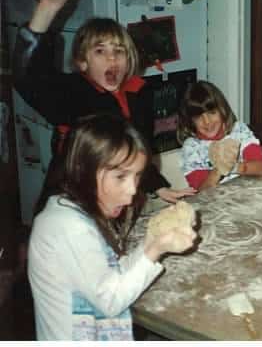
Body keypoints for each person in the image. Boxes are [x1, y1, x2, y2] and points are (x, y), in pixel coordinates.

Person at [12, 0, 194, 203]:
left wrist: (158, 187)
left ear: (129, 60)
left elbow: (138, 153)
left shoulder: (138, 94)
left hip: (119, 203)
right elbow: (28, 77)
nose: (112, 57)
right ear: (83, 62)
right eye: (100, 51)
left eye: (119, 51)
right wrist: (47, 8)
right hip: (75, 203)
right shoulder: (73, 94)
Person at [28, 113, 197, 340]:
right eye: (120, 177)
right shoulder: (67, 226)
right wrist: (155, 249)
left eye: (137, 176)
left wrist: (153, 239)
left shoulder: (78, 210)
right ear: (83, 168)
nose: (132, 191)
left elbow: (113, 273)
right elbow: (110, 300)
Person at [177, 80, 262, 190]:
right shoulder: (192, 148)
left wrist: (233, 167)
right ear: (190, 121)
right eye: (198, 117)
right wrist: (219, 169)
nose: (207, 122)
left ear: (222, 109)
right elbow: (203, 191)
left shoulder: (238, 131)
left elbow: (260, 167)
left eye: (212, 113)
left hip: (248, 192)